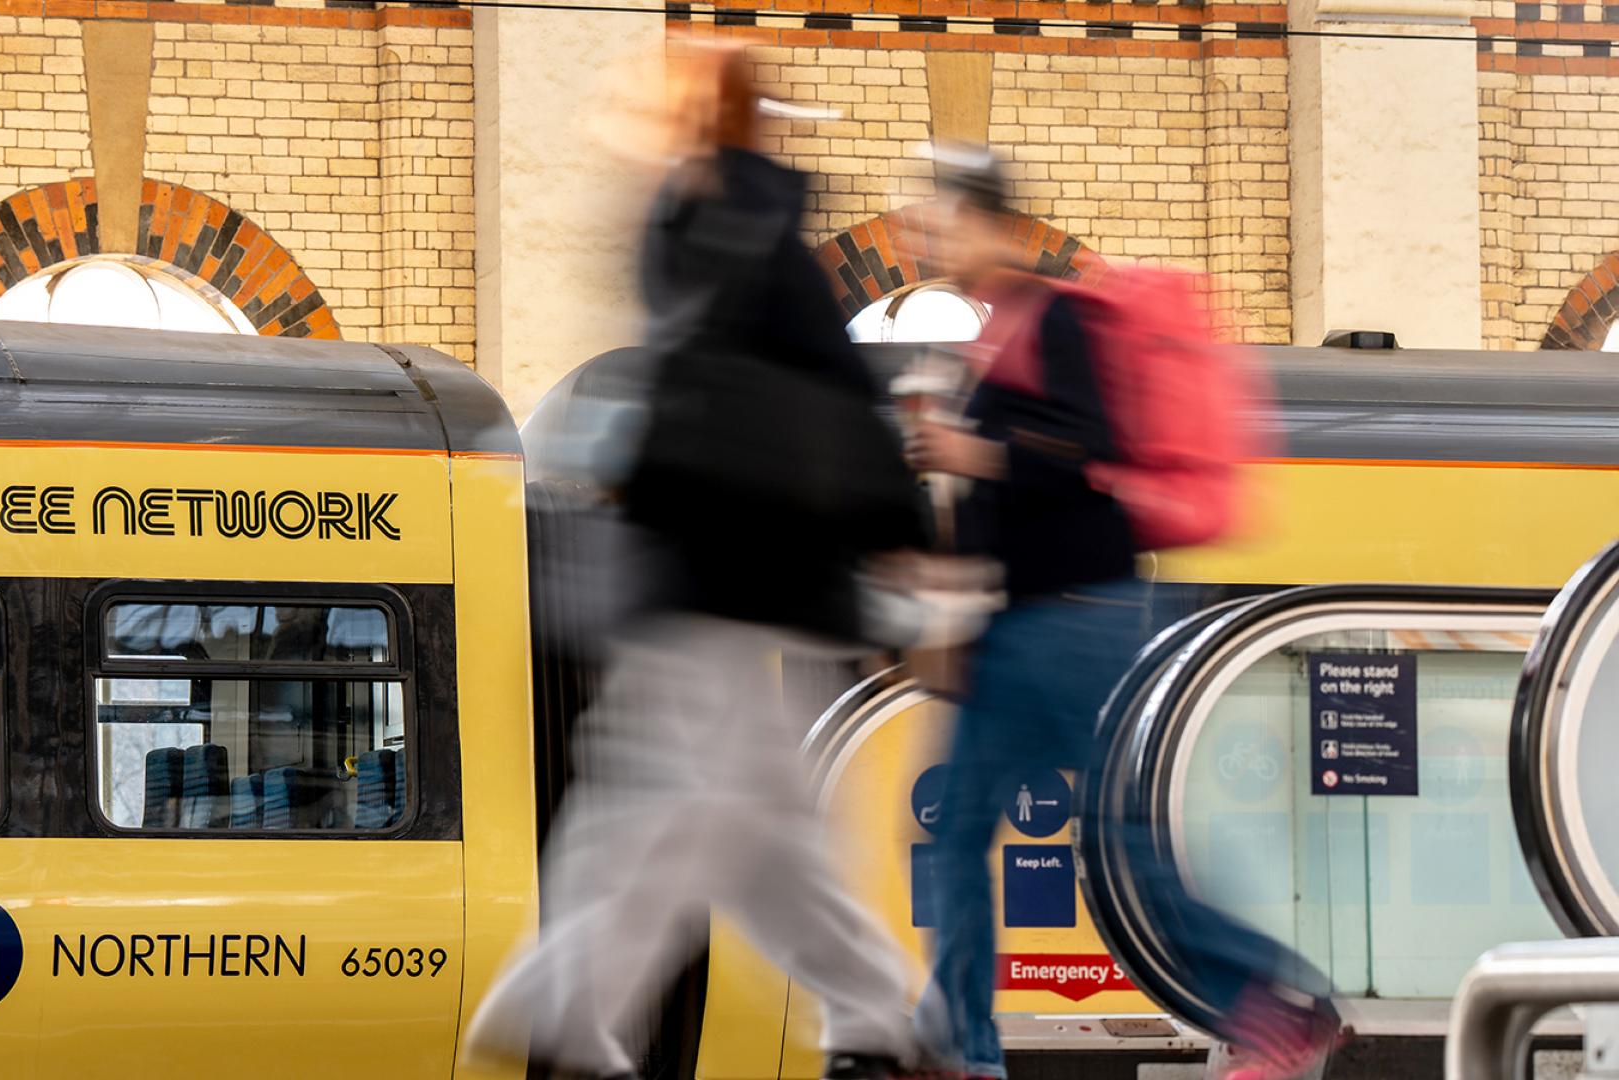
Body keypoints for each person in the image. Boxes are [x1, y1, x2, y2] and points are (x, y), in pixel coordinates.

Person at [462, 43, 930, 1080]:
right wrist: (906, 533)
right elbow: (837, 391)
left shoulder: (681, 233)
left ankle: (866, 1017)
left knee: (724, 815)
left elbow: (754, 395)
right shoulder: (751, 226)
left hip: (689, 571)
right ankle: (580, 1006)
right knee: (701, 812)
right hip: (731, 573)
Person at [907, 145, 1338, 1080]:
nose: (926, 232)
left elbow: (1084, 451)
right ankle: (964, 1053)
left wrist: (968, 452)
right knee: (960, 834)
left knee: (1121, 842)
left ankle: (1275, 1000)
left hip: (1077, 617)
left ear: (984, 221)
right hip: (1013, 627)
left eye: (938, 215)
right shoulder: (985, 342)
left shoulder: (1054, 319)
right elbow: (1003, 501)